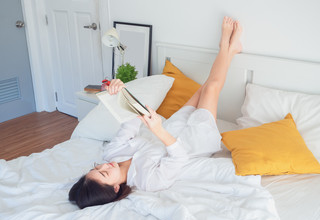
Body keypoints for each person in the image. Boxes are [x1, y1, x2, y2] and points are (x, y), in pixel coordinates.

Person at [69, 16, 243, 209]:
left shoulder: (111, 153)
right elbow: (179, 158)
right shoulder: (147, 181)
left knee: (203, 88)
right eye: (103, 173)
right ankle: (226, 48)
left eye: (96, 167)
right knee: (211, 89)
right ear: (116, 188)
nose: (104, 165)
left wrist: (121, 92)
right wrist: (158, 131)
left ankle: (231, 50)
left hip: (171, 126)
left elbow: (132, 120)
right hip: (193, 143)